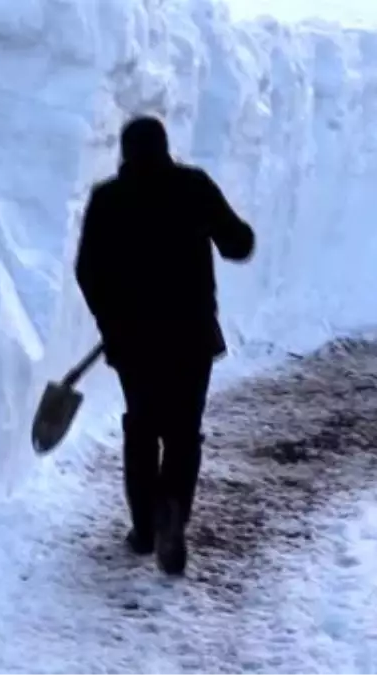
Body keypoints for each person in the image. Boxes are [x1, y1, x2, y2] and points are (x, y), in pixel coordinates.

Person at [74, 115, 255, 576]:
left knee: (141, 427)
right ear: (166, 148)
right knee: (182, 430)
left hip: (133, 340)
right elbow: (237, 244)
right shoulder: (193, 187)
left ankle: (144, 530)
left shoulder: (108, 199)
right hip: (191, 334)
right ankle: (173, 508)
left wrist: (110, 320)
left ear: (125, 153)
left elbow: (87, 271)